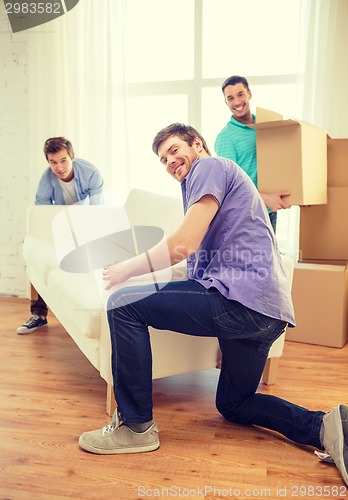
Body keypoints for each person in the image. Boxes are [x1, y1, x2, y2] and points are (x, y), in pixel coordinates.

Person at [78, 123, 348, 488]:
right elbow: (202, 271)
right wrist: (226, 333)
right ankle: (325, 426)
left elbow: (182, 245)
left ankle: (136, 426)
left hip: (243, 305)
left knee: (122, 304)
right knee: (234, 404)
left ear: (197, 144)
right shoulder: (211, 191)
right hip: (264, 317)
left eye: (175, 150)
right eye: (163, 159)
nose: (170, 161)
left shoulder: (210, 167)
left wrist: (127, 269)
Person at [16, 136, 104, 335]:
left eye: (64, 160)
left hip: (88, 224)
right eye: (53, 162)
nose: (59, 167)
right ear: (48, 162)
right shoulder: (46, 180)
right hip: (59, 226)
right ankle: (38, 315)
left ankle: (96, 307)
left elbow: (99, 210)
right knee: (37, 256)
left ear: (73, 157)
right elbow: (42, 217)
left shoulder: (91, 173)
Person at [214, 75, 291, 232]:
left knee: (269, 256)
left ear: (249, 93)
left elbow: (281, 160)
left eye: (240, 94)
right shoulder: (225, 138)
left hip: (269, 210)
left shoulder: (267, 126)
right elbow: (230, 186)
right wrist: (266, 198)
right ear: (226, 102)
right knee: (255, 256)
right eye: (230, 98)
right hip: (247, 214)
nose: (236, 102)